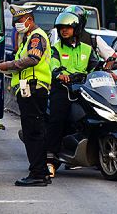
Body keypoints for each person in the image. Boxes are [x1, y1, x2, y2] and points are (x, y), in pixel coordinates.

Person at [0, 5, 52, 186]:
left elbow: (31, 60)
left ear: (29, 19)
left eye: (20, 21)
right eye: (15, 23)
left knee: (33, 133)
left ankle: (37, 174)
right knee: (34, 131)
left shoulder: (36, 37)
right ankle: (42, 172)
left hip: (34, 89)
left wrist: (4, 66)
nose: (17, 25)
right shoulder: (28, 38)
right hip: (29, 89)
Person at [45, 10, 93, 178]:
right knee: (57, 119)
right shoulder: (55, 48)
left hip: (84, 89)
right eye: (61, 28)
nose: (63, 30)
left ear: (76, 29)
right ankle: (50, 160)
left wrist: (108, 70)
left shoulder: (87, 48)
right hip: (63, 88)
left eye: (67, 27)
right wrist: (59, 74)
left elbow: (95, 66)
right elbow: (53, 65)